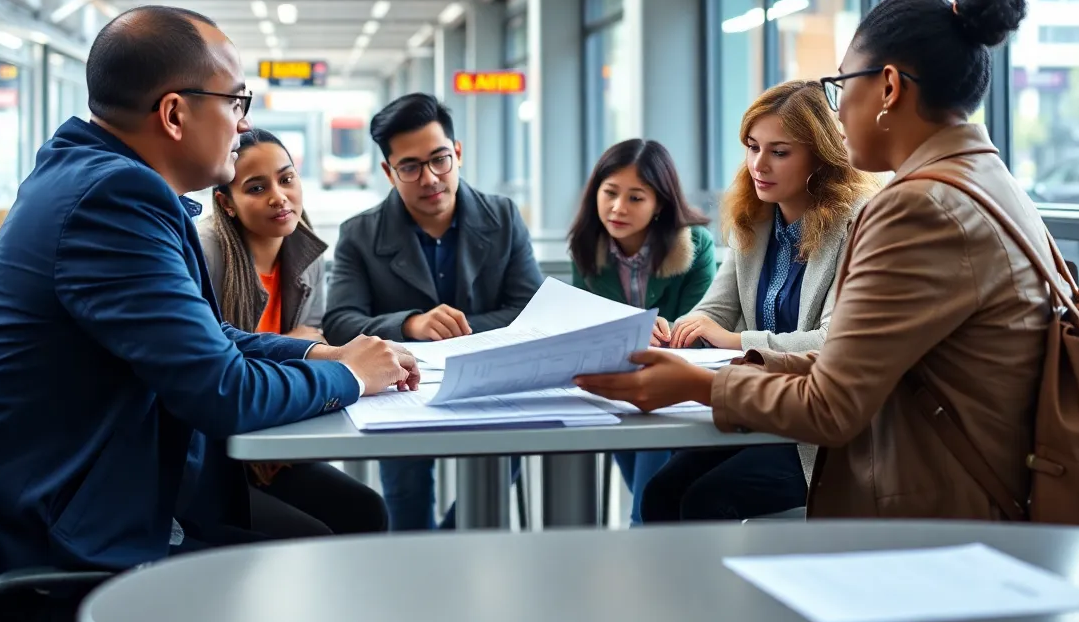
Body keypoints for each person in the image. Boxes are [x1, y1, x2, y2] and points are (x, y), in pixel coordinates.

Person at [0, 6, 416, 622]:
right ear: (175, 113)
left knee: (343, 523)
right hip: (46, 539)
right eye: (236, 100)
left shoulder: (97, 178)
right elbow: (223, 391)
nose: (244, 121)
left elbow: (204, 337)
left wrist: (319, 356)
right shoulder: (114, 200)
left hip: (45, 499)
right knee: (324, 575)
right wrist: (353, 379)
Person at [577, 0, 1051, 522]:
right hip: (989, 476)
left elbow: (832, 404)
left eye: (842, 83)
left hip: (943, 497)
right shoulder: (988, 180)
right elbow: (850, 361)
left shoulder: (916, 208)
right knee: (669, 494)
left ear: (889, 87)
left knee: (695, 501)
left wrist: (700, 381)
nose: (840, 105)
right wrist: (733, 361)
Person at [638, 81, 875, 523]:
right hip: (759, 411)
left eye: (779, 152)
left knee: (705, 501)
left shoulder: (858, 223)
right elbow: (714, 310)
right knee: (660, 494)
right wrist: (679, 328)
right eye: (752, 147)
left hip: (817, 427)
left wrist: (732, 340)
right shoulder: (755, 217)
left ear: (821, 157)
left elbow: (832, 343)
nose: (758, 165)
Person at [324, 93, 543, 530]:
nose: (430, 178)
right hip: (404, 389)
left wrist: (461, 333)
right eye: (410, 167)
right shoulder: (360, 233)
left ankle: (451, 543)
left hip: (490, 382)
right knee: (406, 493)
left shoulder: (502, 217)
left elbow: (531, 309)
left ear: (457, 153)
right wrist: (411, 325)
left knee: (495, 480)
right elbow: (339, 322)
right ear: (389, 172)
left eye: (440, 159)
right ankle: (421, 564)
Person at [199, 128, 388, 536]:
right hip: (212, 450)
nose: (279, 197)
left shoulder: (307, 254)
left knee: (366, 509)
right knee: (310, 533)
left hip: (273, 435)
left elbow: (312, 334)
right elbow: (212, 363)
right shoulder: (206, 253)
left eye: (286, 179)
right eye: (256, 187)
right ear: (225, 203)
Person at [568, 139, 715, 525]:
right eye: (610, 193)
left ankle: (644, 528)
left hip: (676, 385)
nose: (618, 208)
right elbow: (582, 325)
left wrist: (664, 332)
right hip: (612, 382)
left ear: (660, 205)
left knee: (652, 491)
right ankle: (651, 526)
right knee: (649, 489)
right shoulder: (586, 247)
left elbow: (698, 328)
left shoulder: (695, 245)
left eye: (636, 197)